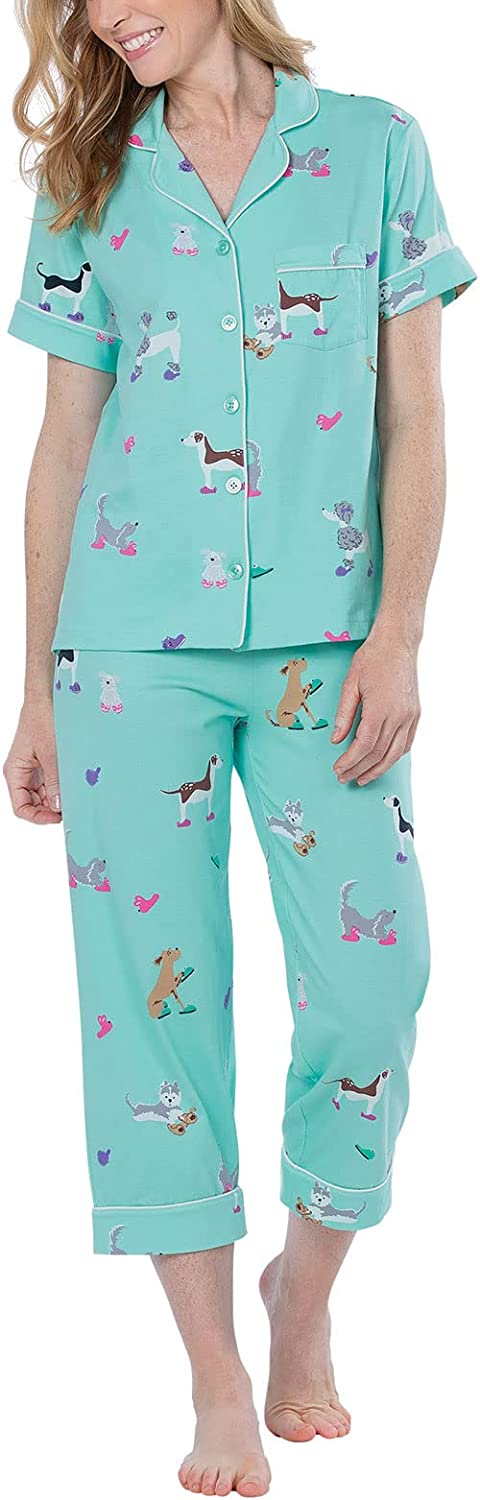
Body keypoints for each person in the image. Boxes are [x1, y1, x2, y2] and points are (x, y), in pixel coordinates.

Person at [3, 1, 475, 1495]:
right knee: (151, 1015)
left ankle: (304, 1292)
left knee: (376, 982)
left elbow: (415, 410)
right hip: (125, 648)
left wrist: (399, 631)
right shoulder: (87, 176)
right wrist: (36, 688)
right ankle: (213, 1374)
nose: (108, 13)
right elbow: (63, 441)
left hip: (329, 647)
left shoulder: (375, 148)